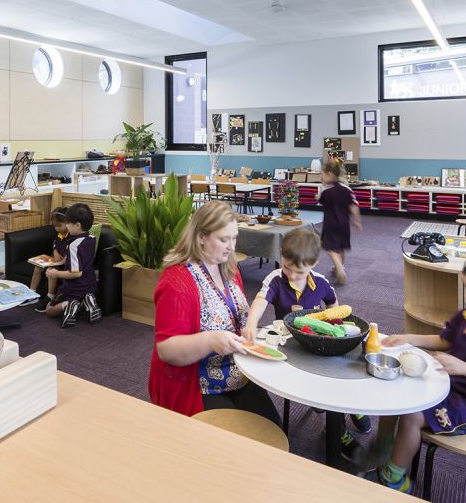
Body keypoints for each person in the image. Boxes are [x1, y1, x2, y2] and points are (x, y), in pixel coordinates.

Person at [365, 253, 466, 492]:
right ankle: (382, 447)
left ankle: (394, 478)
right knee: (397, 395)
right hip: (447, 387)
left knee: (412, 416)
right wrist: (409, 338)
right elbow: (444, 340)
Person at [148, 200, 281, 423]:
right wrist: (209, 341)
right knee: (233, 446)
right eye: (223, 239)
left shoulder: (228, 267)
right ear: (201, 237)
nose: (232, 246)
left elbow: (235, 315)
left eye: (234, 238)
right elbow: (166, 350)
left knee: (272, 429)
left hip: (238, 372)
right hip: (198, 384)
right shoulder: (177, 281)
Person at [242, 228, 370, 443]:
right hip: (291, 345)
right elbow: (261, 300)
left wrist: (332, 323)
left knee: (341, 370)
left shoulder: (320, 282)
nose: (292, 275)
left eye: (299, 272)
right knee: (313, 386)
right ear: (281, 255)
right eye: (287, 267)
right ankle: (335, 430)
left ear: (314, 264)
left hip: (318, 340)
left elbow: (333, 303)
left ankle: (352, 407)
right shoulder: (275, 279)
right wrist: (251, 323)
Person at [43, 203, 101, 327]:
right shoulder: (91, 239)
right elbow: (83, 261)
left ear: (77, 225)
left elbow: (76, 273)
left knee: (49, 310)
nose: (67, 226)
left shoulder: (74, 245)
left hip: (74, 288)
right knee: (81, 295)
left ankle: (69, 304)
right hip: (90, 285)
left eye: (68, 223)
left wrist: (56, 273)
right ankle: (86, 300)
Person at [318, 159, 361, 284]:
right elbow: (354, 206)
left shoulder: (326, 191)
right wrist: (356, 221)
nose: (322, 177)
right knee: (341, 247)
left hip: (330, 224)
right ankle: (340, 266)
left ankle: (339, 268)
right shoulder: (347, 189)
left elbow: (321, 201)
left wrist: (318, 196)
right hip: (344, 224)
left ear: (330, 174)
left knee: (331, 248)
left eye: (323, 174)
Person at [31, 207, 69, 312]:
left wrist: (64, 259)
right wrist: (55, 251)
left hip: (65, 264)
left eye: (59, 226)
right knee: (38, 266)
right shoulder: (60, 234)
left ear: (68, 222)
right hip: (56, 260)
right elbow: (55, 244)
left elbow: (71, 252)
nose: (57, 228)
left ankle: (50, 296)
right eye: (55, 226)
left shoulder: (71, 236)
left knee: (51, 270)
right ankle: (32, 293)